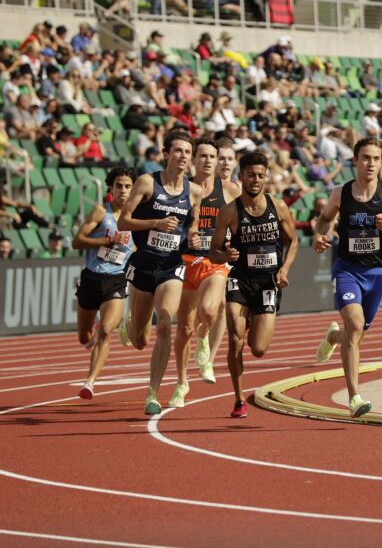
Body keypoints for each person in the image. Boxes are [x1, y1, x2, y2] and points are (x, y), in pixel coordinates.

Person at [313, 138, 382, 418]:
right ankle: (354, 397)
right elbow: (323, 219)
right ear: (356, 161)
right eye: (365, 158)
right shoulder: (340, 193)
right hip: (347, 269)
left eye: (375, 158)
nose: (370, 163)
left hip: (377, 274)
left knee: (355, 334)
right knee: (356, 325)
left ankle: (333, 337)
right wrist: (320, 235)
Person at [118, 130, 204, 415]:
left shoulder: (194, 191)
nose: (183, 157)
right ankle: (130, 324)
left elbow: (192, 224)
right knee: (141, 340)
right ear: (166, 153)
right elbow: (123, 221)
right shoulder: (146, 183)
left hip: (171, 264)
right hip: (143, 263)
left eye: (187, 153)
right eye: (178, 151)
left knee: (166, 324)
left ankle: (152, 393)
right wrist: (155, 222)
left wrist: (192, 235)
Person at [209, 151, 298, 418]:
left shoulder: (278, 206)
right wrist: (226, 256)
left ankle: (253, 322)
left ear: (266, 177)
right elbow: (213, 252)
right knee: (235, 339)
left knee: (258, 349)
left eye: (260, 175)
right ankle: (238, 400)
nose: (256, 180)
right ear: (241, 177)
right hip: (240, 280)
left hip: (269, 283)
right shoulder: (228, 212)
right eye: (250, 175)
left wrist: (285, 268)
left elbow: (293, 241)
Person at [174, 137, 242, 396]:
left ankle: (208, 351)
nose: (208, 161)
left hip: (215, 261)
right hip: (185, 261)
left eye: (212, 157)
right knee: (183, 327)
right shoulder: (182, 189)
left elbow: (243, 222)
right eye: (203, 156)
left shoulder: (229, 190)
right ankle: (181, 382)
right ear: (194, 159)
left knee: (210, 310)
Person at [71, 167, 136, 399]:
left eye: (128, 186)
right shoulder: (101, 212)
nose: (123, 191)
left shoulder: (136, 219)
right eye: (119, 185)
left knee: (107, 331)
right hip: (91, 278)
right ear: (111, 187)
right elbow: (77, 241)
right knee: (84, 336)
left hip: (116, 281)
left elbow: (138, 249)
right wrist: (108, 240)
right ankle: (92, 338)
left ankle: (90, 382)